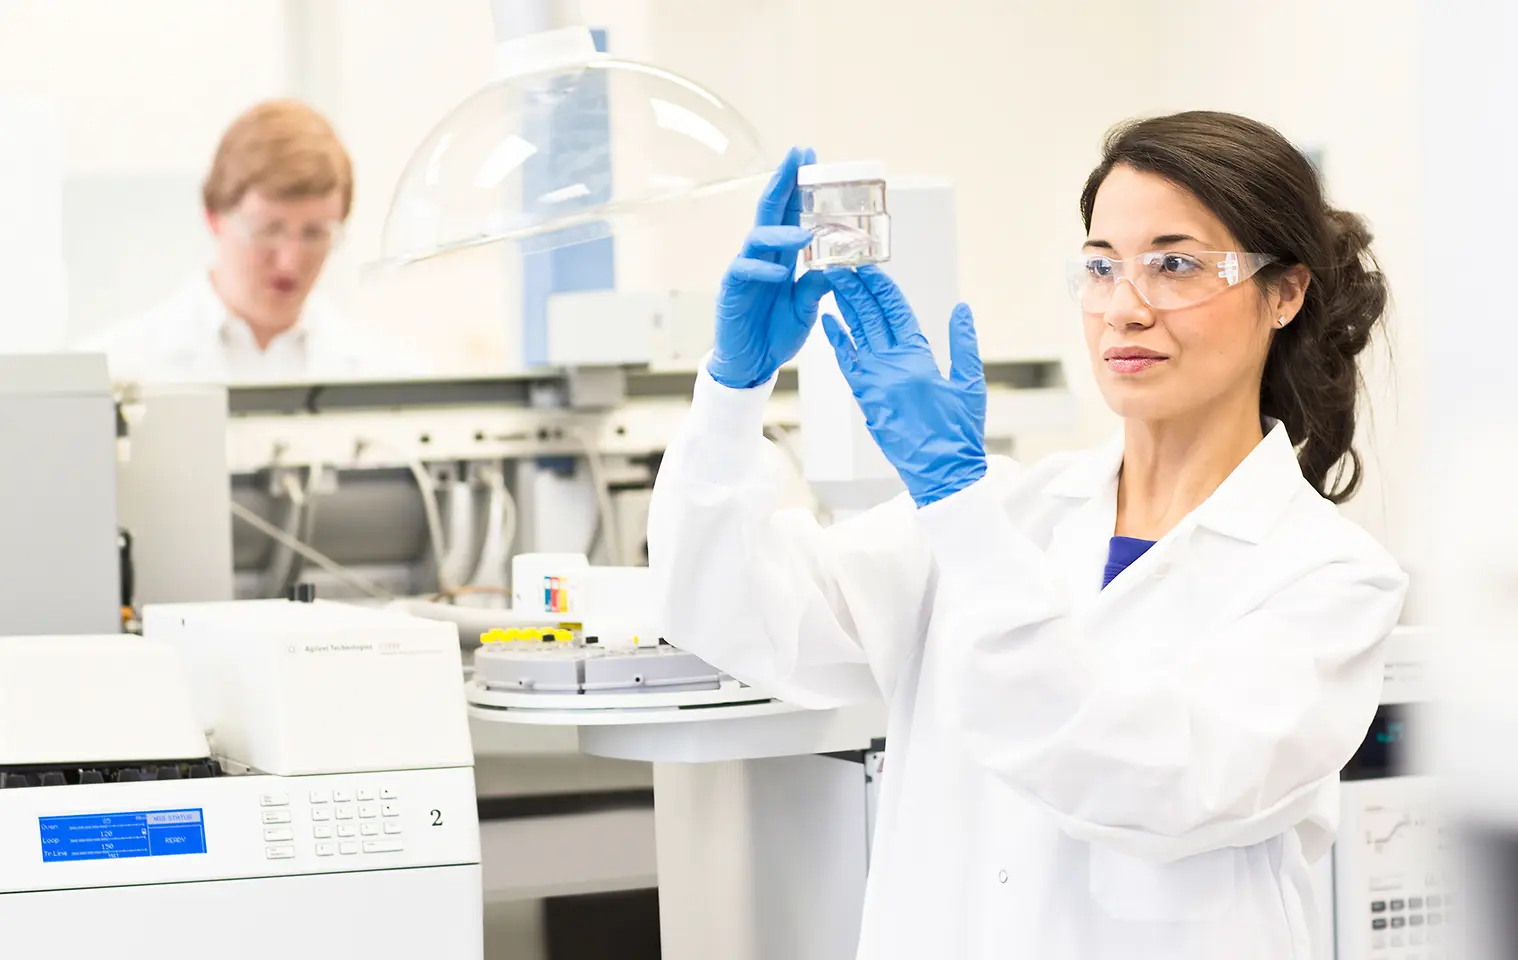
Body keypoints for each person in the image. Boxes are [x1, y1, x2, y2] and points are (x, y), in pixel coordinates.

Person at [647, 113, 1408, 959]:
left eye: (1176, 264)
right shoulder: (1015, 512)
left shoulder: (1328, 579)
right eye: (1100, 267)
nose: (1125, 308)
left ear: (1285, 292)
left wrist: (957, 498)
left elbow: (1142, 781)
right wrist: (731, 389)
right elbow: (728, 612)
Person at [76, 99, 416, 384]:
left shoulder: (393, 374)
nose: (290, 260)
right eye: (267, 229)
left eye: (316, 234)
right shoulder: (114, 369)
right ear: (213, 215)